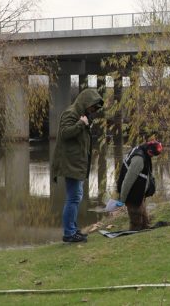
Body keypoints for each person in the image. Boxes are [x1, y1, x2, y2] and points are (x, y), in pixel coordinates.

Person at [52, 88, 104, 243]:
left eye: (95, 109)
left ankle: (73, 230)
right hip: (71, 164)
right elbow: (65, 133)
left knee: (76, 197)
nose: (93, 111)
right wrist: (81, 124)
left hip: (77, 163)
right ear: (85, 102)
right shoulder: (71, 114)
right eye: (92, 107)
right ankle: (69, 233)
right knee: (73, 198)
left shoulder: (82, 115)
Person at [117, 138, 164, 231]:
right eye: (152, 154)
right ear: (149, 150)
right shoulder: (138, 159)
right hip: (132, 195)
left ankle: (145, 229)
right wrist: (122, 198)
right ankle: (133, 237)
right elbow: (128, 180)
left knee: (145, 222)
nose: (152, 157)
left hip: (139, 193)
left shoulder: (142, 149)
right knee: (136, 222)